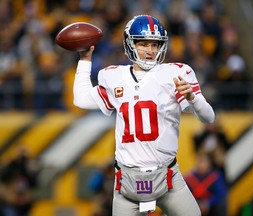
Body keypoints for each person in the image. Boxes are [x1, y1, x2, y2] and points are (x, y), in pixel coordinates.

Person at [73, 15, 215, 216]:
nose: (150, 50)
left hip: (168, 177)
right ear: (130, 44)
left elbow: (209, 117)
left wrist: (193, 98)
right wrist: (85, 60)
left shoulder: (174, 74)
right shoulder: (114, 76)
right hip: (127, 180)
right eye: (143, 44)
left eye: (155, 44)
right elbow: (80, 99)